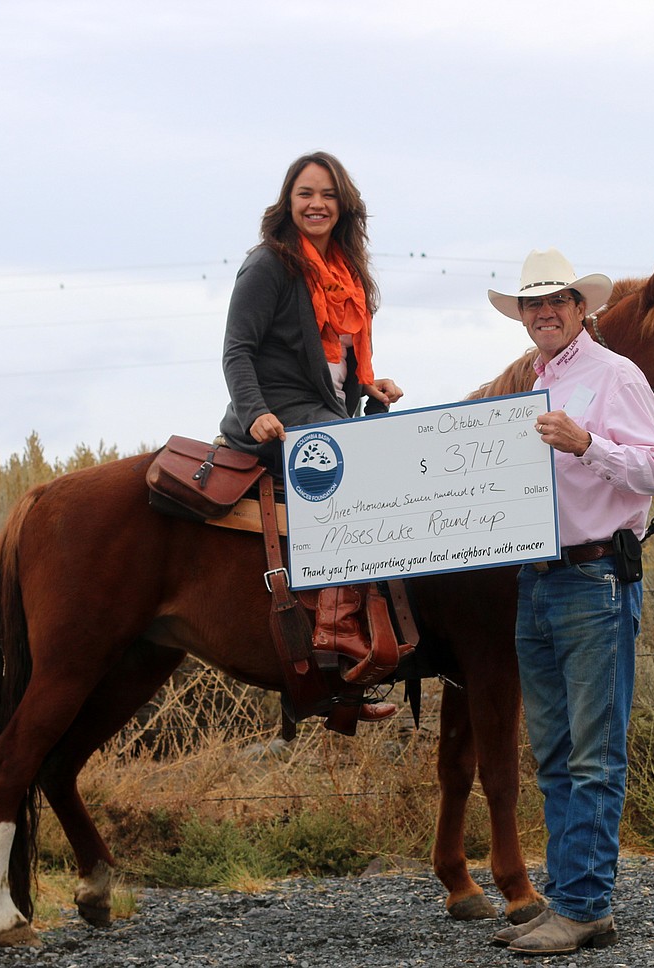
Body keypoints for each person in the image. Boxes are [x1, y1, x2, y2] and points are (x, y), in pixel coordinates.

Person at [486, 248, 654, 956]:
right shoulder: (535, 384)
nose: (544, 313)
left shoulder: (615, 376)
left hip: (595, 579)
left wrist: (589, 443)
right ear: (525, 316)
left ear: (580, 307)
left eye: (556, 301)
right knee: (558, 753)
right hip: (538, 579)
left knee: (592, 752)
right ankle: (571, 900)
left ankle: (587, 904)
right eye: (532, 305)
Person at [217, 152, 403, 724]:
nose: (316, 203)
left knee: (402, 453)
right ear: (288, 203)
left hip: (323, 413)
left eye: (326, 194)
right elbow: (238, 349)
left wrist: (370, 384)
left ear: (343, 204)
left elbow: (337, 368)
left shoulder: (347, 274)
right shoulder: (270, 266)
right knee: (354, 465)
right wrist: (254, 412)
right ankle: (333, 625)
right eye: (304, 194)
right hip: (279, 416)